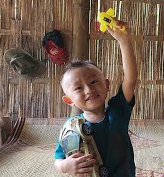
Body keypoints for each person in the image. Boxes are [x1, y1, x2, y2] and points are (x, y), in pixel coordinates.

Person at [54, 20, 137, 177]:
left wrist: (124, 42)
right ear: (69, 100)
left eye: (93, 82)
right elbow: (59, 158)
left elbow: (130, 79)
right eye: (78, 88)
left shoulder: (117, 111)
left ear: (106, 85)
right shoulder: (73, 128)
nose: (89, 90)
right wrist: (65, 166)